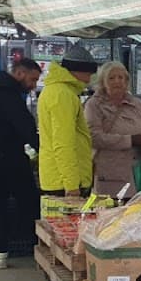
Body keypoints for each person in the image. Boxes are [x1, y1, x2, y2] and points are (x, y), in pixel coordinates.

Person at [0, 59, 43, 269]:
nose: (33, 85)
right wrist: (42, 148)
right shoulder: (9, 94)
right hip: (10, 159)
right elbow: (24, 126)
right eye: (32, 79)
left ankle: (0, 254)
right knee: (29, 201)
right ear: (20, 73)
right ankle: (38, 246)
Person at [85, 61, 141, 198]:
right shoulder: (94, 105)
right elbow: (94, 137)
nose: (117, 81)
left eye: (121, 77)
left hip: (140, 172)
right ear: (102, 82)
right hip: (111, 174)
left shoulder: (138, 104)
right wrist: (130, 140)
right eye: (111, 78)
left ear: (127, 81)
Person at [38, 43, 96, 197]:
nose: (90, 79)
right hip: (64, 182)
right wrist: (72, 185)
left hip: (57, 177)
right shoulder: (63, 95)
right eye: (89, 73)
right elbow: (63, 143)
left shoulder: (55, 90)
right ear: (78, 71)